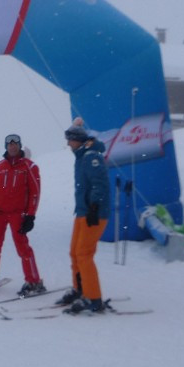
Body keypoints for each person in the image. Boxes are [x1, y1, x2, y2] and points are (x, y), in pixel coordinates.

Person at [56, 119, 111, 313]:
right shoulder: (81, 156)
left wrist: (94, 207)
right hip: (82, 212)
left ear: (78, 140)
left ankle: (93, 298)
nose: (68, 143)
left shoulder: (90, 157)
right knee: (75, 252)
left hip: (93, 213)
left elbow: (100, 184)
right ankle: (80, 289)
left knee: (84, 254)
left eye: (70, 139)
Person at [0, 133, 45, 296]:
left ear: (19, 146)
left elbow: (34, 193)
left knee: (23, 247)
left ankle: (33, 281)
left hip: (18, 214)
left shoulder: (29, 167)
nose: (12, 146)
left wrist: (31, 216)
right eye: (9, 144)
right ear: (6, 147)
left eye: (15, 144)